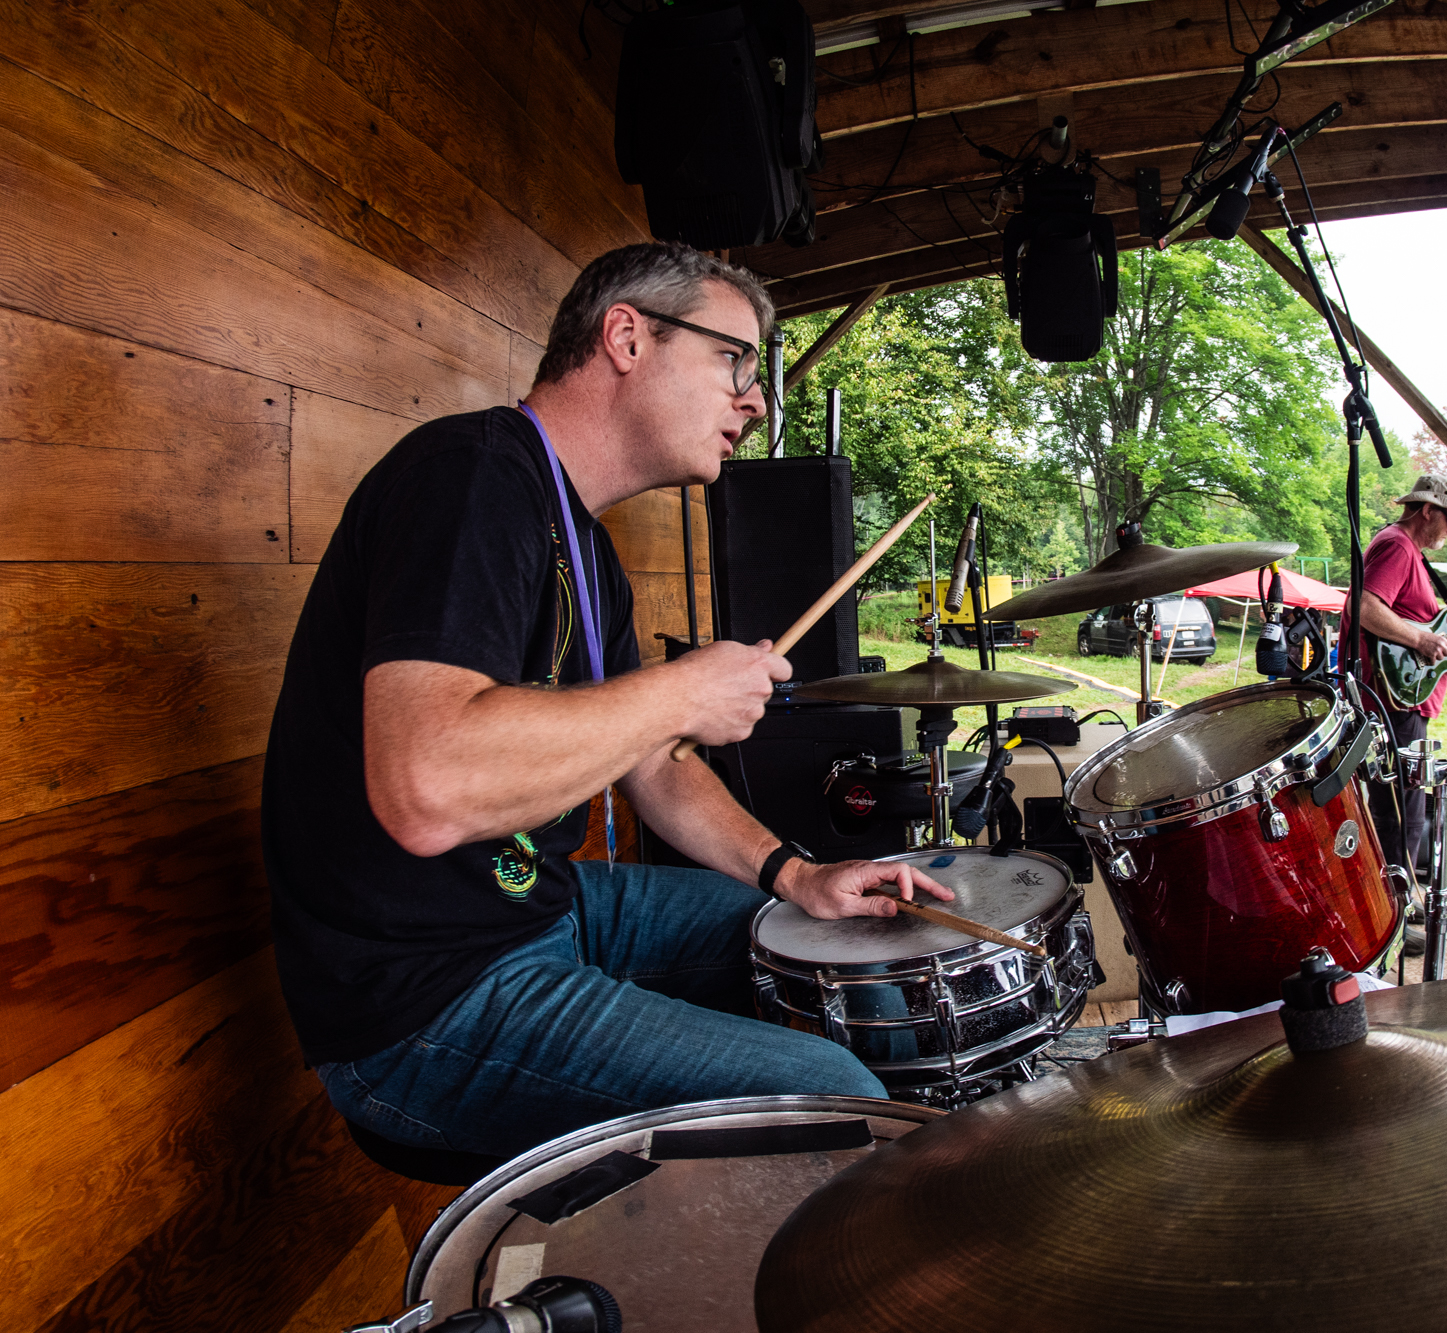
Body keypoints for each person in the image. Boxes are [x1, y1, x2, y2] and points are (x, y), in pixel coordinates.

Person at [262, 242, 953, 1160]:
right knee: (838, 1103)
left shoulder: (586, 549)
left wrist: (795, 872)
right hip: (422, 987)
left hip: (541, 908)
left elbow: (658, 769)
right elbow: (426, 787)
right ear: (626, 336)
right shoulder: (468, 478)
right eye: (732, 359)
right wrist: (680, 688)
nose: (755, 400)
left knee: (865, 958)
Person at [1353, 472, 1447, 875]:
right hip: (1394, 699)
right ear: (1428, 510)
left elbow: (1426, 633)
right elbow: (1363, 608)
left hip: (1402, 694)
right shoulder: (1398, 545)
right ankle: (1398, 909)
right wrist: (1420, 640)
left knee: (1398, 803)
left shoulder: (1406, 550)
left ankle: (1389, 899)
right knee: (1403, 807)